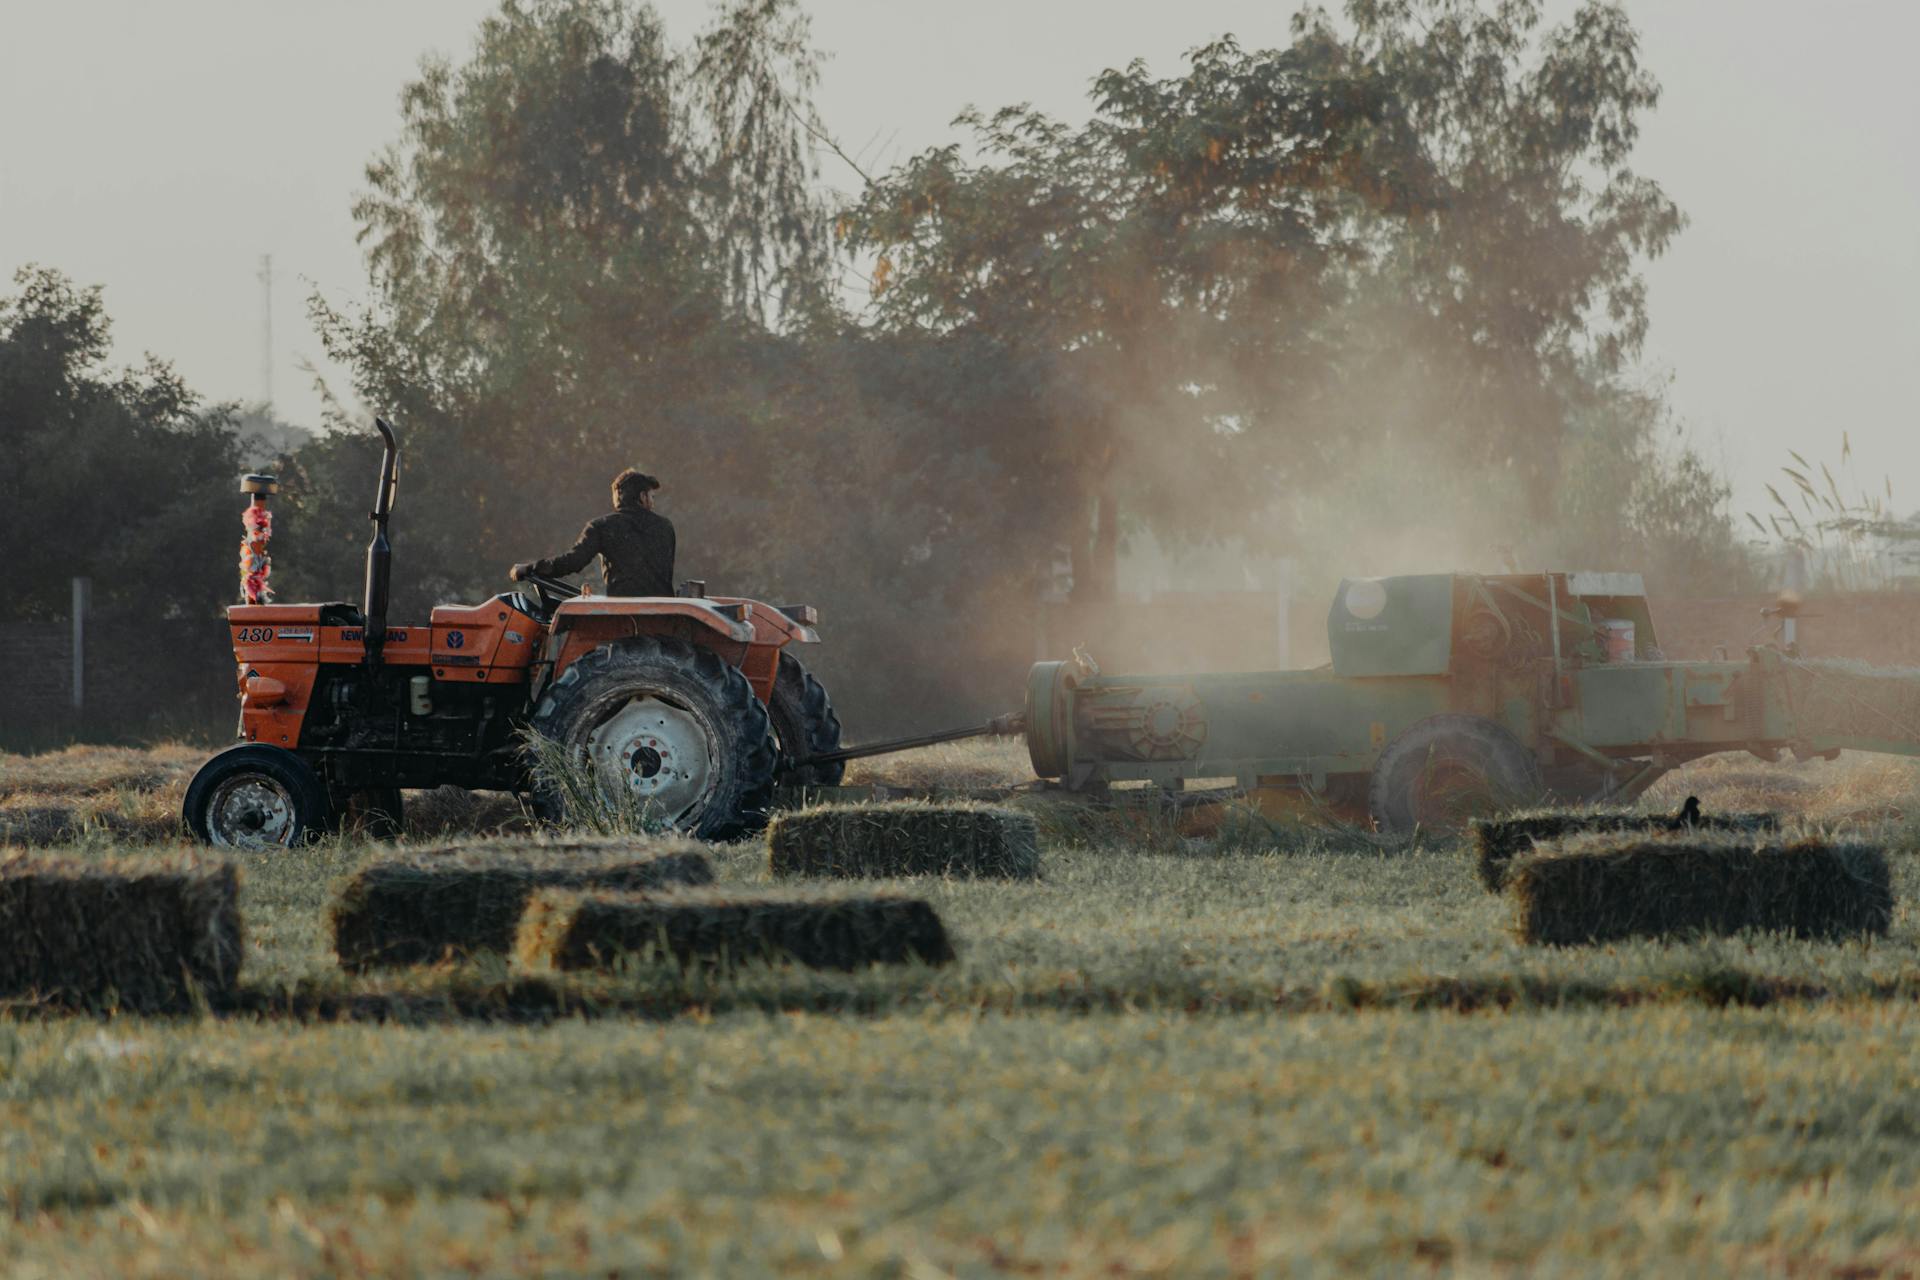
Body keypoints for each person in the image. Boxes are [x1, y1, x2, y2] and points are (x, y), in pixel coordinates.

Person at [511, 468, 676, 597]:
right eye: (652, 497)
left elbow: (572, 562)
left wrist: (530, 568)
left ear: (618, 497)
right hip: (665, 619)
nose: (652, 502)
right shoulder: (665, 527)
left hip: (625, 619)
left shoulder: (602, 527)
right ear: (642, 497)